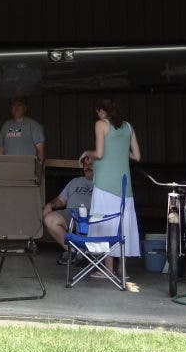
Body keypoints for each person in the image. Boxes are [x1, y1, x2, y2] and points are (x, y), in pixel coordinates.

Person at [79, 98, 141, 276]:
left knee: (105, 223)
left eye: (98, 111)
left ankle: (108, 270)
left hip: (105, 183)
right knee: (123, 223)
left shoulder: (101, 124)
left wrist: (86, 152)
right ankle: (122, 270)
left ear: (101, 111)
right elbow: (136, 156)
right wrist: (120, 150)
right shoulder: (128, 127)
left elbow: (99, 153)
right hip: (124, 185)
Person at [42, 156, 94, 264]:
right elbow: (61, 200)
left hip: (92, 215)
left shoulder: (103, 183)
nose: (88, 167)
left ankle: (84, 253)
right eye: (85, 165)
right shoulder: (75, 181)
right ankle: (73, 250)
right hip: (72, 214)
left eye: (91, 164)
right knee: (49, 219)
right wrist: (50, 204)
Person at [0, 95, 45, 161]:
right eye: (13, 105)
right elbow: (0, 149)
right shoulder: (6, 125)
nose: (16, 108)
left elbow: (40, 152)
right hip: (8, 168)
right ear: (10, 108)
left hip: (26, 168)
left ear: (25, 108)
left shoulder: (34, 126)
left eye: (19, 105)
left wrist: (38, 170)